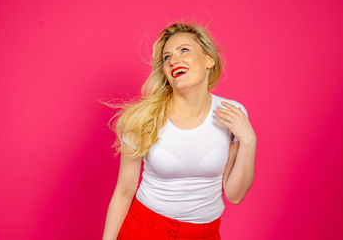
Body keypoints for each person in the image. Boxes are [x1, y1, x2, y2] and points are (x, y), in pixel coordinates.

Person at [101, 21, 257, 240]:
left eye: (184, 50)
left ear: (209, 60)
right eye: (167, 57)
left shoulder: (231, 114)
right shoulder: (143, 118)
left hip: (205, 235)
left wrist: (248, 140)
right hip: (146, 230)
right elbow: (124, 190)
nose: (174, 60)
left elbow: (235, 194)